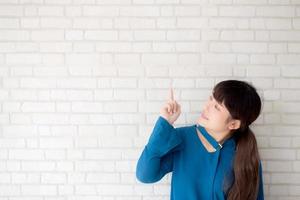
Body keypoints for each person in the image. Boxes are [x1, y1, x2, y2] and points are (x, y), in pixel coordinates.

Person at [136, 80, 264, 200]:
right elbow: (145, 175)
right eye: (210, 99)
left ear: (234, 124)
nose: (206, 106)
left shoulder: (246, 156)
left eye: (217, 107)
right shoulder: (183, 138)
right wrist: (164, 123)